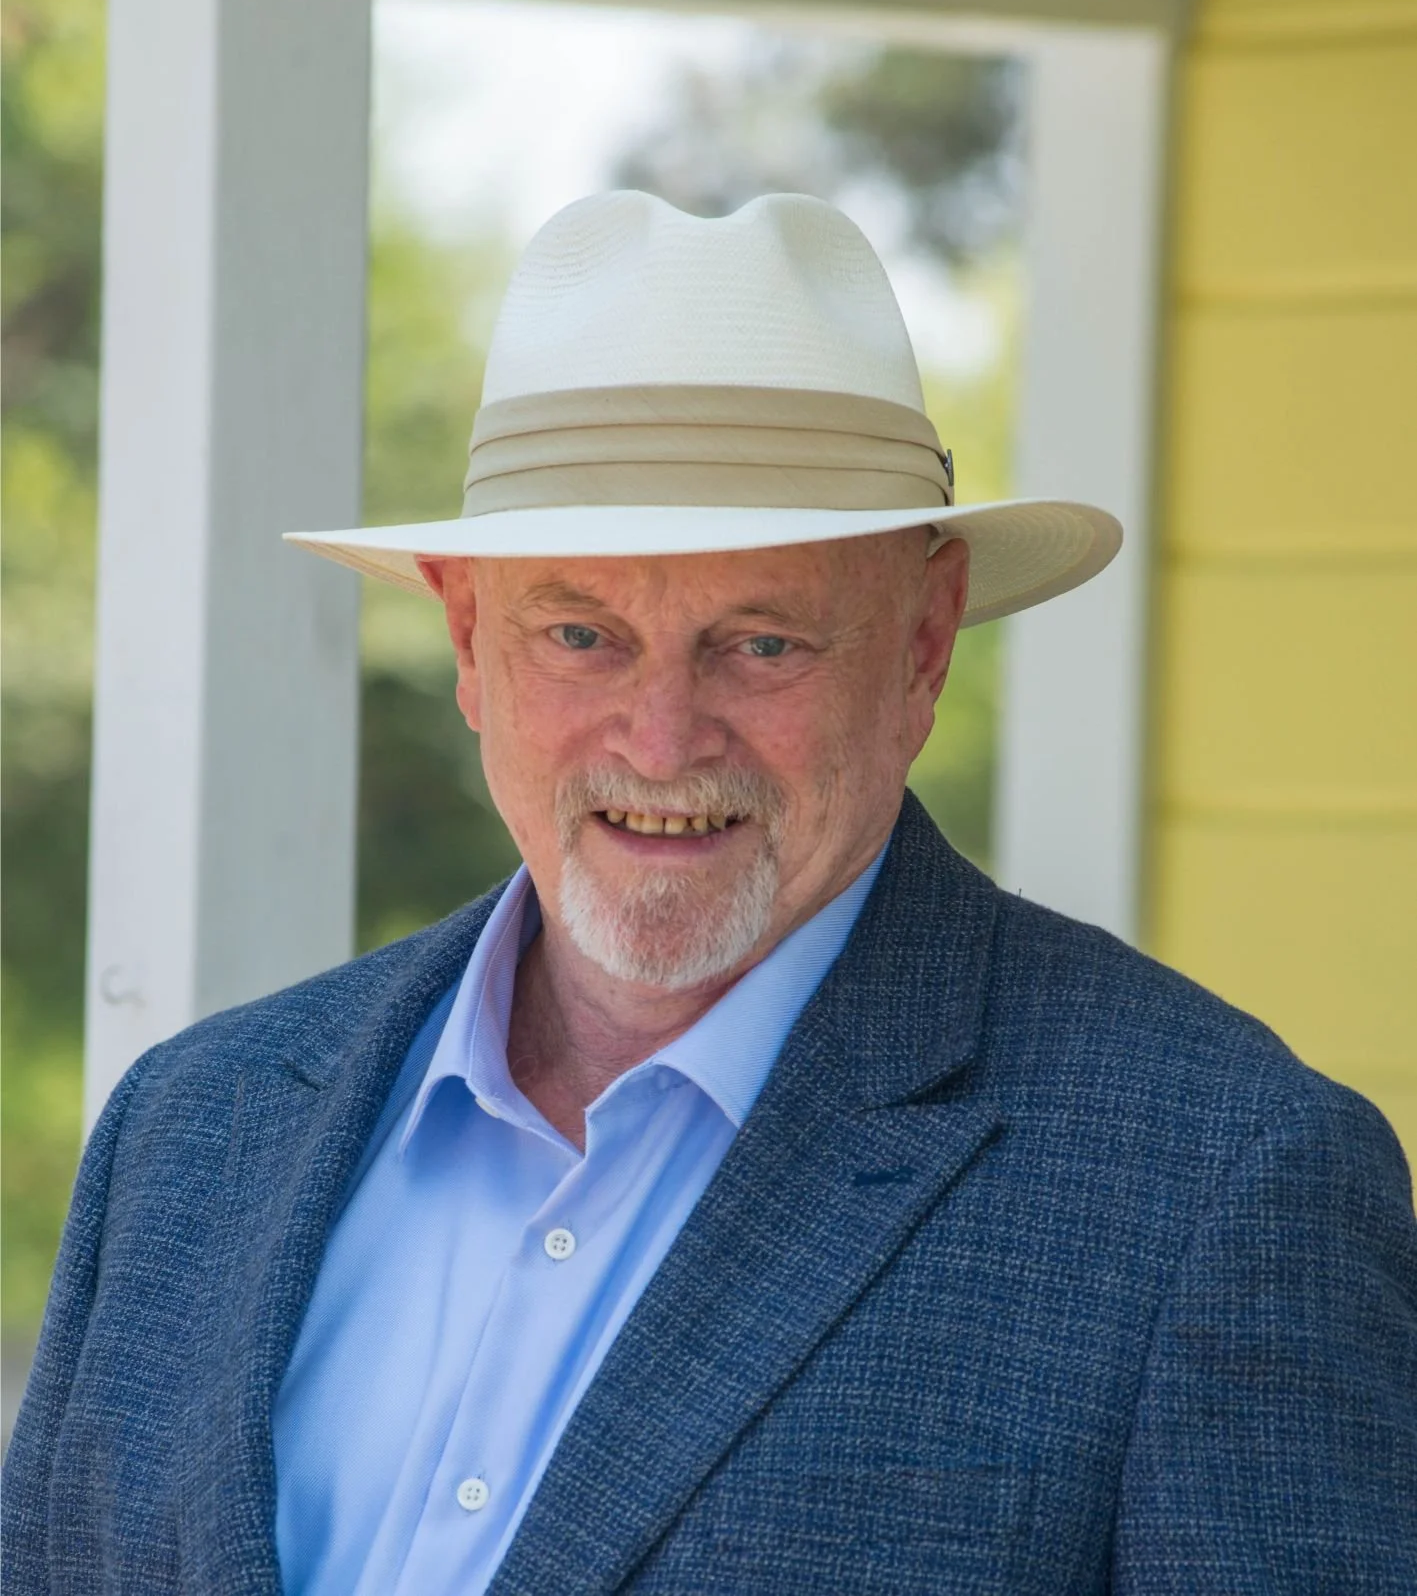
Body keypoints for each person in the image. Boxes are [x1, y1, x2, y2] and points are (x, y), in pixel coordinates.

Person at [5, 192, 1414, 1596]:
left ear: (925, 643)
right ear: (469, 638)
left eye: (763, 642)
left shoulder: (1218, 1183)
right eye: (581, 634)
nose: (663, 741)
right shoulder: (191, 1129)